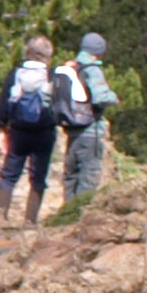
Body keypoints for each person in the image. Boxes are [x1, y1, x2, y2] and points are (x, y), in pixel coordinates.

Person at [0, 33, 60, 225]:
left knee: (9, 175)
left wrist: (2, 126)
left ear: (27, 52)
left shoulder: (16, 74)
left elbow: (3, 103)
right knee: (38, 178)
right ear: (47, 56)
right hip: (44, 132)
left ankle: (0, 218)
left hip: (18, 132)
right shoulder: (52, 75)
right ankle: (30, 222)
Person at [60, 32, 120, 205]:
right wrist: (114, 97)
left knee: (71, 179)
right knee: (88, 179)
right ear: (99, 52)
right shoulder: (92, 70)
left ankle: (66, 215)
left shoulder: (71, 68)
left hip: (71, 131)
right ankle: (79, 215)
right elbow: (100, 97)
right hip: (90, 132)